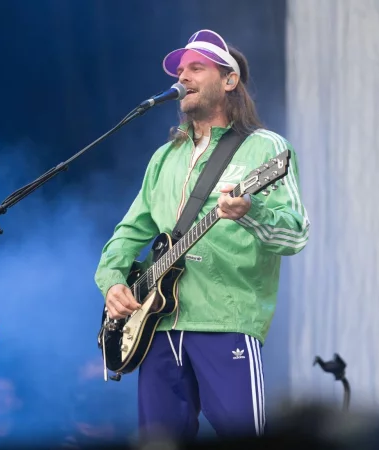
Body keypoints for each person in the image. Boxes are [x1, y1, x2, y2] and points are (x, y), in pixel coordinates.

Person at [93, 29, 309, 441]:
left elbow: (296, 234)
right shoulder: (165, 157)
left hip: (224, 320)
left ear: (229, 80)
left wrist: (251, 211)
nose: (183, 77)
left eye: (196, 68)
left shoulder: (266, 149)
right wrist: (113, 282)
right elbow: (127, 233)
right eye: (180, 70)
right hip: (155, 327)